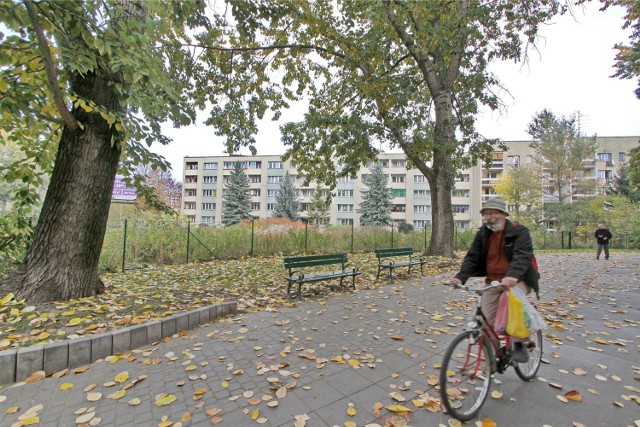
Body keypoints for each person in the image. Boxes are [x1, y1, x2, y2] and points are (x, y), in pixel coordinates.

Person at [447, 198, 539, 363]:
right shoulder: (483, 233)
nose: (488, 217)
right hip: (493, 282)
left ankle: (520, 344)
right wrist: (460, 277)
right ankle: (496, 354)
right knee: (487, 321)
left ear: (503, 214)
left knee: (511, 299)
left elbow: (522, 256)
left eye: (492, 213)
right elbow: (472, 257)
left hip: (519, 279)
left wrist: (512, 276)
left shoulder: (519, 231)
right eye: (485, 214)